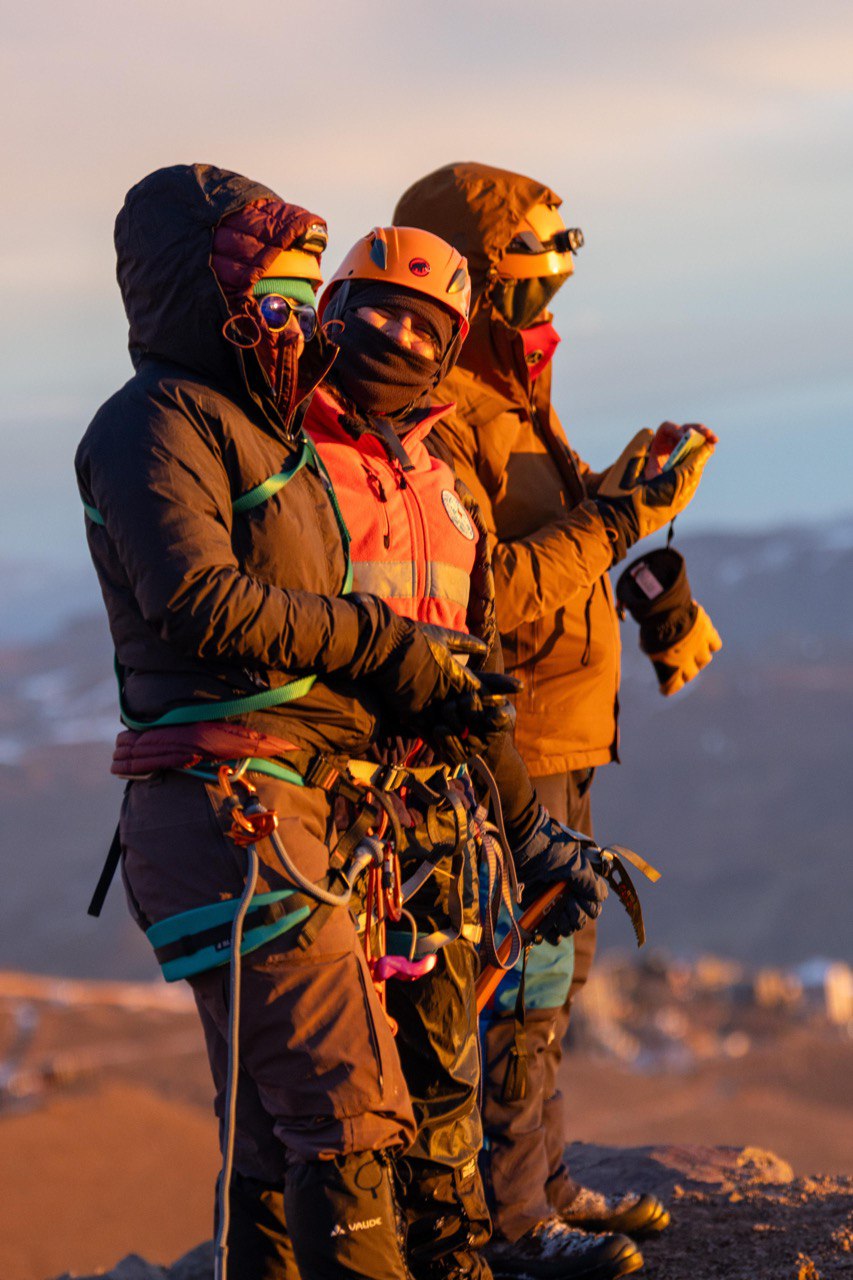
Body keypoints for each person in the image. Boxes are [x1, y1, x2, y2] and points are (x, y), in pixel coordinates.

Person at [75, 166, 611, 1280]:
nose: (390, 338)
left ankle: (455, 1252)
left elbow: (444, 653)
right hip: (244, 801)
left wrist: (517, 818)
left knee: (329, 1109)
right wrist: (389, 645)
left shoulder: (285, 437)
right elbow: (203, 603)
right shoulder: (172, 423)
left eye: (296, 293)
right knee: (348, 1110)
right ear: (200, 291)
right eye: (287, 296)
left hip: (339, 800)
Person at [394, 162, 718, 1279]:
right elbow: (491, 595)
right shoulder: (451, 416)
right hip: (509, 744)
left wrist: (647, 558)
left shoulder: (517, 392)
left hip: (567, 732)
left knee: (554, 971)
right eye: (529, 279)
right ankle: (515, 1220)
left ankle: (542, 1177)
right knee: (520, 973)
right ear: (476, 284)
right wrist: (621, 510)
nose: (550, 303)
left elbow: (570, 545)